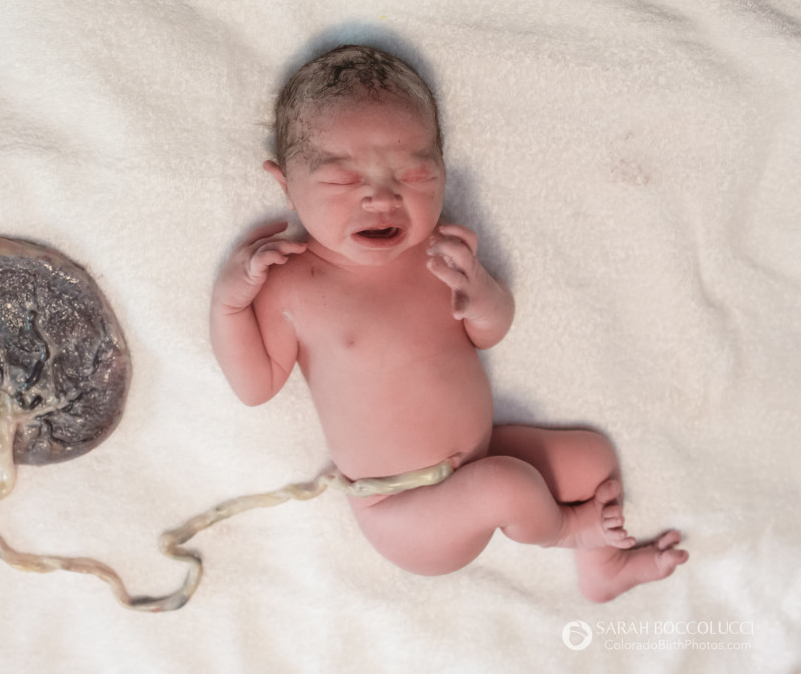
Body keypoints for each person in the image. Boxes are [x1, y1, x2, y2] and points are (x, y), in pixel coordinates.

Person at [210, 44, 687, 601]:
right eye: (342, 181)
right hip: (402, 510)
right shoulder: (290, 283)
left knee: (593, 461)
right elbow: (254, 386)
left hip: (483, 454)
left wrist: (479, 291)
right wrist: (229, 303)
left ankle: (602, 568)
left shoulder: (438, 256)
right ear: (286, 185)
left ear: (440, 172)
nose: (381, 197)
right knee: (506, 486)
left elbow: (491, 329)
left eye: (413, 175)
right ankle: (563, 531)